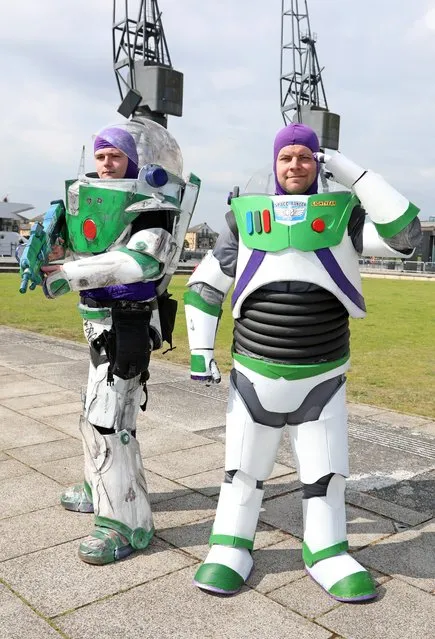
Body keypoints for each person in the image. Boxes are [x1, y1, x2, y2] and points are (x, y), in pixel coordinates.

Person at [184, 122, 421, 601]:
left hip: (324, 376)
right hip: (255, 372)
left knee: (325, 476)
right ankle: (230, 544)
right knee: (243, 473)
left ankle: (327, 549)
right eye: (287, 157)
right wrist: (200, 350)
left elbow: (406, 235)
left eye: (306, 157)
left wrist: (349, 169)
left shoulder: (346, 219)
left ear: (319, 163)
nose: (296, 165)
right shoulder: (243, 219)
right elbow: (207, 284)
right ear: (274, 164)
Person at [38, 119, 200, 565]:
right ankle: (99, 486)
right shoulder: (94, 202)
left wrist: (68, 274)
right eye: (101, 155)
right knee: (94, 416)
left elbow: (141, 260)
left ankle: (126, 523)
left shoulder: (154, 206)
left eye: (116, 156)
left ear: (135, 160)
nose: (107, 164)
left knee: (111, 422)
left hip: (127, 325)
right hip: (98, 324)